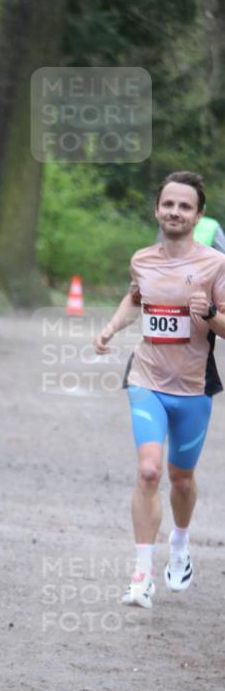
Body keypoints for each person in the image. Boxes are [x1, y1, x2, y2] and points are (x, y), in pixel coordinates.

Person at [95, 171, 225, 607]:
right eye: (168, 204)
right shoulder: (143, 259)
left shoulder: (214, 265)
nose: (175, 212)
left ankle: (182, 545)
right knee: (149, 471)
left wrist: (208, 311)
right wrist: (112, 328)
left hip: (192, 387)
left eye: (185, 206)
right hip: (145, 379)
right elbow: (136, 298)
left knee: (180, 478)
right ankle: (142, 574)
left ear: (198, 215)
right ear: (157, 209)